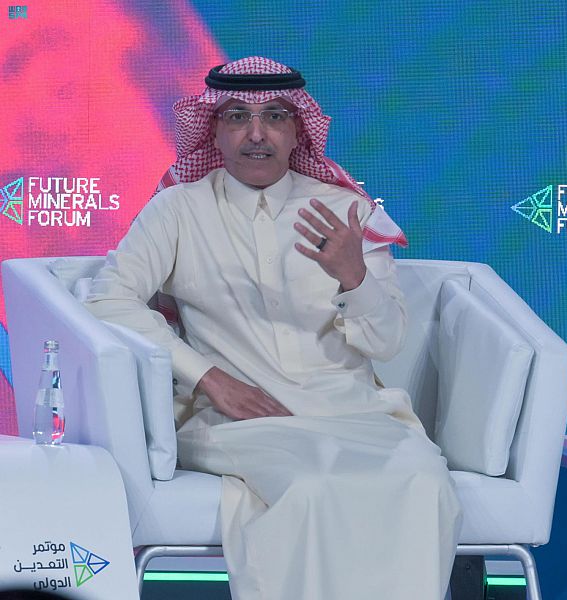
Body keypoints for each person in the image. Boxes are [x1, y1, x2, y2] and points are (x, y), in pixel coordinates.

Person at [85, 56, 461, 600]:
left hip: (357, 414)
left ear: (298, 130)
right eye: (238, 116)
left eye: (275, 116)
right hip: (241, 420)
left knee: (423, 481)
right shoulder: (178, 209)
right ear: (214, 130)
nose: (256, 134)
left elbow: (386, 343)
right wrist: (208, 377)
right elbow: (107, 298)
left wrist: (354, 276)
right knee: (309, 487)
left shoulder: (346, 211)